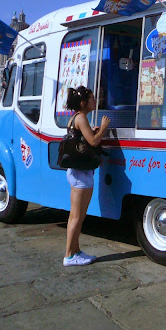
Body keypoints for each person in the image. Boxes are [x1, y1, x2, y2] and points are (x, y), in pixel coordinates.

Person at [63, 86, 110, 266]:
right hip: (81, 174)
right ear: (83, 103)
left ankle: (75, 251)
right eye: (92, 98)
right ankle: (69, 255)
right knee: (77, 216)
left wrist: (94, 130)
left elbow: (83, 139)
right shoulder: (81, 118)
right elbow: (93, 141)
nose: (95, 101)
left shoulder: (75, 117)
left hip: (76, 172)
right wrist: (103, 128)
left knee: (77, 216)